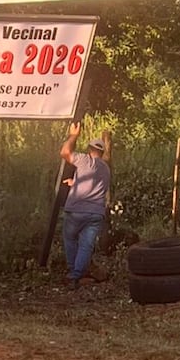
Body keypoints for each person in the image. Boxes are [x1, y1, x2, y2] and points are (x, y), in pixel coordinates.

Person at [59, 121, 111, 290]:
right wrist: (75, 182)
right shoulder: (106, 169)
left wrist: (73, 135)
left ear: (90, 150)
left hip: (76, 209)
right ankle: (76, 276)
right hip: (96, 213)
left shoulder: (83, 160)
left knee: (70, 239)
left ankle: (73, 272)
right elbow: (95, 185)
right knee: (86, 245)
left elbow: (65, 152)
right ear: (102, 153)